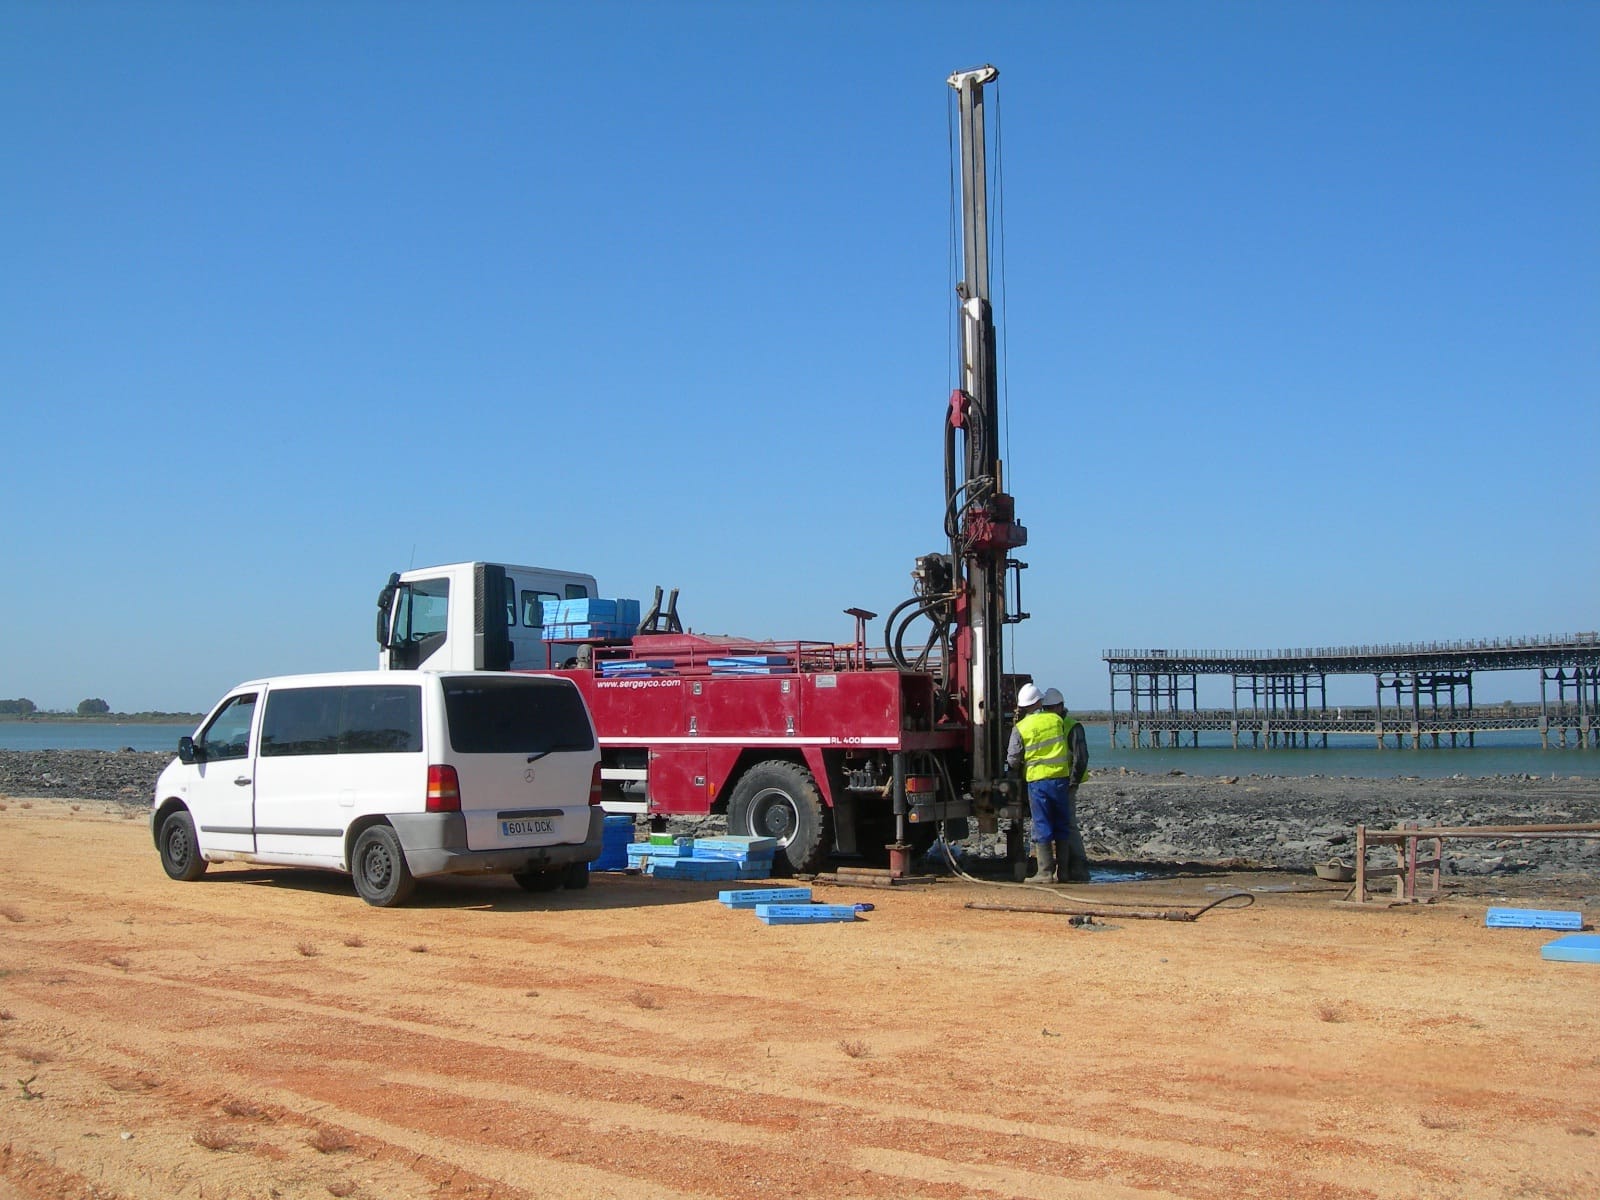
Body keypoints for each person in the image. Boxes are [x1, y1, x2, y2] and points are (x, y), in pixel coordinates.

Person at [1005, 682, 1072, 883]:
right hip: (1061, 778)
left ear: (1023, 706)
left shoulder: (1021, 727)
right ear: (1040, 701)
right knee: (1062, 822)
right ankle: (1065, 872)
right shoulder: (1056, 719)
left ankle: (1044, 873)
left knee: (1042, 824)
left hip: (1038, 781)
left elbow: (1013, 759)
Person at [1043, 687, 1091, 882]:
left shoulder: (1072, 726)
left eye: (1051, 707)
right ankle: (1062, 867)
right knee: (1052, 823)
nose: (1049, 712)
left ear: (1061, 706)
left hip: (1067, 782)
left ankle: (1078, 866)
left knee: (1069, 824)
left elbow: (1081, 757)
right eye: (1046, 708)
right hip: (1051, 780)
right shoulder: (1048, 724)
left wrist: (1073, 782)